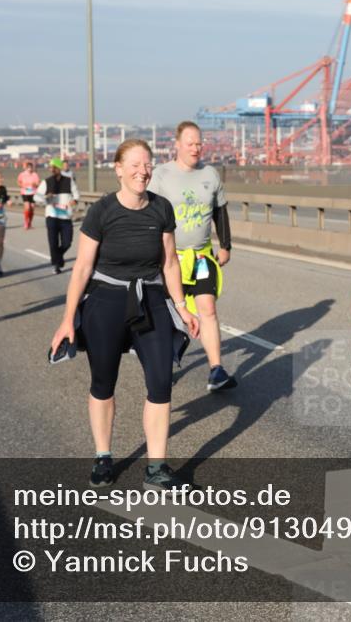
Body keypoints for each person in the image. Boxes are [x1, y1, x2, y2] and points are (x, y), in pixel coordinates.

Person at [49, 139, 199, 489]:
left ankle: (157, 467)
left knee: (161, 382)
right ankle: (103, 456)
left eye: (147, 164)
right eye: (134, 164)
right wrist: (67, 319)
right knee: (103, 382)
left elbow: (170, 262)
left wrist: (181, 307)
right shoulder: (102, 211)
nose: (142, 171)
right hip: (106, 301)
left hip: (151, 299)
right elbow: (83, 267)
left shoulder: (162, 208)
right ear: (118, 169)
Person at [150, 121, 236, 392]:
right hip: (170, 258)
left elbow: (220, 211)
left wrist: (226, 245)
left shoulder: (210, 174)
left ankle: (216, 370)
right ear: (177, 145)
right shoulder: (161, 175)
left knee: (207, 309)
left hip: (201, 257)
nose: (196, 148)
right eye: (190, 143)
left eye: (199, 143)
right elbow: (148, 214)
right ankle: (163, 364)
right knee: (169, 314)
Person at [35, 158, 79, 274]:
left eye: (54, 167)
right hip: (51, 216)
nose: (52, 169)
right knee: (53, 243)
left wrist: (74, 200)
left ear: (59, 168)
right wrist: (46, 197)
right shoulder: (46, 182)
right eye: (50, 167)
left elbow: (76, 195)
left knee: (67, 242)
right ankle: (56, 265)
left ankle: (58, 257)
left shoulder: (69, 181)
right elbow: (36, 197)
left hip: (66, 217)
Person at [16, 161, 41, 229]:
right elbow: (18, 182)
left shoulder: (35, 174)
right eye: (28, 168)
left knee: (32, 208)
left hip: (33, 193)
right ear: (26, 168)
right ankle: (26, 222)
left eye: (31, 167)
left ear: (32, 168)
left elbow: (38, 184)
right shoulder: (22, 174)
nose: (29, 169)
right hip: (25, 193)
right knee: (27, 207)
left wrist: (35, 184)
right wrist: (22, 186)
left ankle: (30, 223)